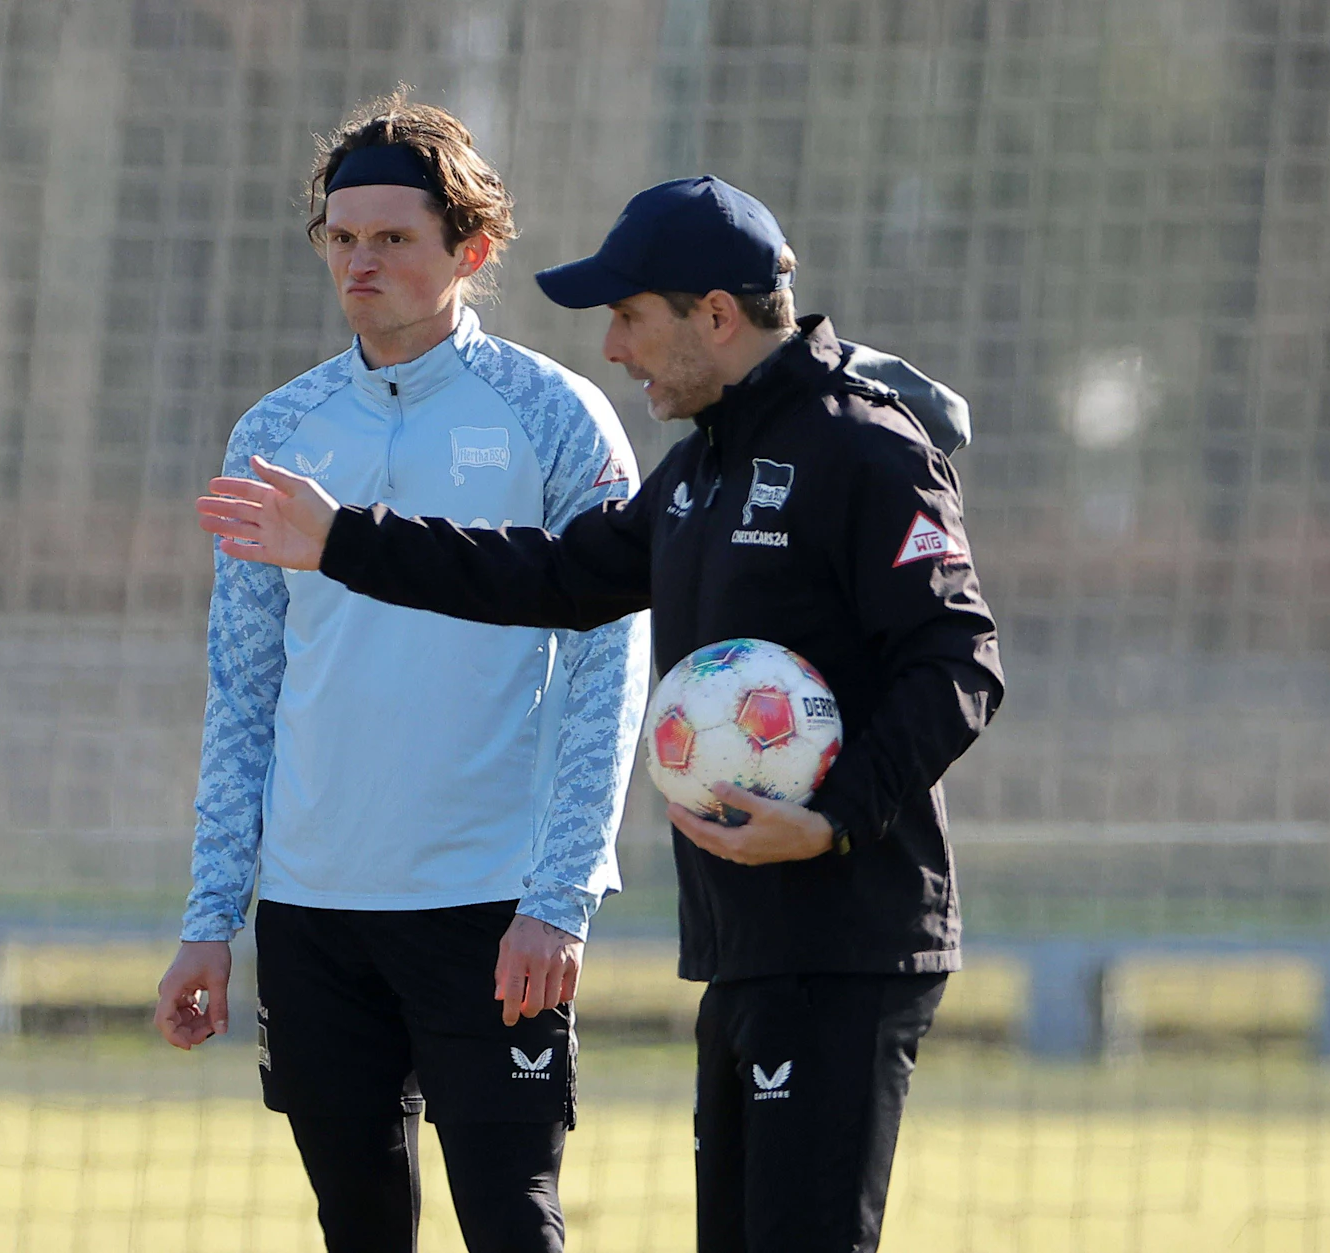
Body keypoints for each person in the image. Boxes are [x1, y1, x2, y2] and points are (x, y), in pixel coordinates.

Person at [195, 175, 1005, 1253]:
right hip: (742, 940)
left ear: (714, 315)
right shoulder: (698, 470)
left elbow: (959, 660)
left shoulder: (863, 446)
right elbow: (553, 575)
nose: (614, 347)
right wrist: (345, 540)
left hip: (850, 932)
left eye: (629, 316)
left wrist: (831, 817)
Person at [152, 94, 649, 1253]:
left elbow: (609, 666)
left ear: (470, 249)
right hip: (314, 912)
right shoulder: (275, 431)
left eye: (391, 237)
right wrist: (211, 916)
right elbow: (244, 690)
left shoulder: (556, 417)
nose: (359, 262)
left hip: (490, 906)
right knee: (358, 1228)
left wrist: (558, 894)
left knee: (513, 1222)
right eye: (341, 237)